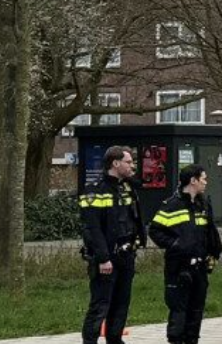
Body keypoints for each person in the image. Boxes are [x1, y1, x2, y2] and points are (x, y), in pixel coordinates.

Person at [150, 165, 222, 344]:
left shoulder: (202, 204)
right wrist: (175, 244)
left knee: (196, 312)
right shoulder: (172, 205)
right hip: (178, 268)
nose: (206, 182)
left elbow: (210, 232)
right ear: (193, 180)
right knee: (179, 313)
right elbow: (155, 231)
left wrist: (213, 253)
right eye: (203, 178)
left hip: (199, 268)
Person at [80, 145, 145, 344]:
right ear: (115, 163)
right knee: (100, 306)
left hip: (126, 256)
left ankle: (115, 340)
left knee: (121, 305)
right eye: (128, 162)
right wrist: (103, 258)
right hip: (106, 258)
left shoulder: (127, 188)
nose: (132, 166)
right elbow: (92, 228)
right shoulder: (95, 190)